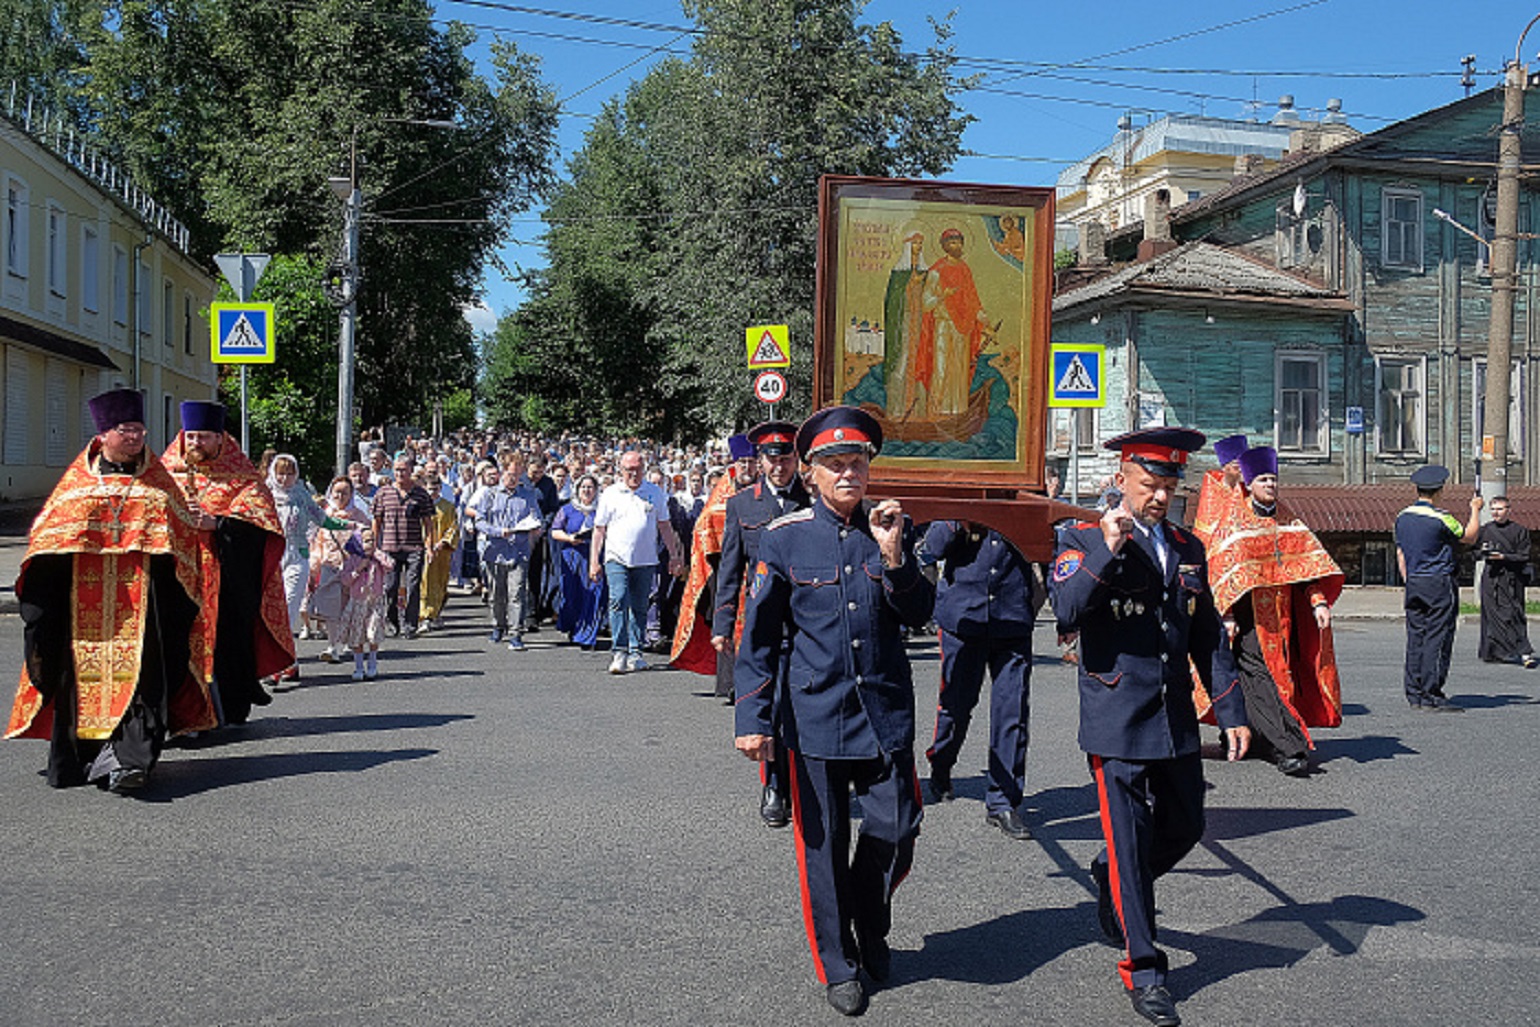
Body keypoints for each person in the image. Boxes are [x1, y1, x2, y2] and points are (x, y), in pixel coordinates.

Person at [734, 407, 934, 1017]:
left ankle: (869, 923)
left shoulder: (892, 528)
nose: (850, 473)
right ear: (812, 474)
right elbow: (761, 637)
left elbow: (920, 611)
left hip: (884, 713)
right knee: (821, 849)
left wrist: (896, 554)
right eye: (836, 464)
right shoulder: (784, 537)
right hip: (816, 715)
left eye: (859, 463)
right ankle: (837, 962)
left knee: (897, 831)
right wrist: (752, 719)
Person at [1051, 427, 1250, 1027]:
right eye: (1149, 484)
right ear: (1121, 481)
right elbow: (1063, 612)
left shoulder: (1188, 547)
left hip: (1174, 717)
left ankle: (1112, 878)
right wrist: (1108, 551)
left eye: (1169, 485)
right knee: (1133, 841)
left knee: (1186, 825)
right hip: (1116, 718)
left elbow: (1207, 634)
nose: (1160, 496)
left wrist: (1232, 710)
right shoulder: (1081, 537)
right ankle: (1145, 969)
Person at [6, 388, 217, 791]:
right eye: (126, 430)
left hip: (144, 609)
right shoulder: (75, 487)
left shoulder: (159, 485)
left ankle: (129, 760)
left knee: (142, 679)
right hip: (80, 612)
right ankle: (83, 758)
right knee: (79, 682)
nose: (136, 437)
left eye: (140, 429)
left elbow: (183, 544)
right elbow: (45, 541)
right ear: (104, 434)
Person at [1205, 446, 1343, 777]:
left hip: (1285, 616)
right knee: (1262, 680)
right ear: (1249, 483)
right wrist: (1225, 616)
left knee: (1284, 680)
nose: (1270, 484)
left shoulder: (1288, 519)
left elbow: (1308, 569)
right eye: (1264, 479)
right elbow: (1221, 572)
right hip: (1247, 618)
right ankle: (1289, 747)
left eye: (1274, 479)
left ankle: (1242, 733)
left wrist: (1318, 602)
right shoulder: (1234, 521)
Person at [162, 401, 292, 726]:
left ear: (219, 438)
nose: (195, 443)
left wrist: (217, 525)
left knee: (228, 645)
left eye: (204, 437)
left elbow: (261, 521)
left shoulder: (242, 477)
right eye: (190, 436)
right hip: (176, 579)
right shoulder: (165, 474)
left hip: (225, 581)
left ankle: (228, 710)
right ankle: (181, 715)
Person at [920, 521, 1045, 838]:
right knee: (955, 707)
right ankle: (942, 761)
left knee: (1012, 713)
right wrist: (957, 522)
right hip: (963, 618)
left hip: (1011, 618)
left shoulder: (1026, 501)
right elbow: (930, 550)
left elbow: (1048, 552)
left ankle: (1003, 801)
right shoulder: (962, 501)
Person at [714, 421, 811, 828]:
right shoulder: (742, 504)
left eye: (786, 458)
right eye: (772, 459)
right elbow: (730, 569)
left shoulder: (812, 500)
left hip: (807, 623)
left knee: (802, 709)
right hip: (763, 623)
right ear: (760, 461)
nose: (779, 466)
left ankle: (804, 783)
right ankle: (774, 787)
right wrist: (722, 623)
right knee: (767, 709)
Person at [1395, 465, 1483, 711]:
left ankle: (1413, 692)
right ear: (1439, 490)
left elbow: (1400, 552)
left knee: (1416, 637)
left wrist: (1409, 579)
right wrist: (1474, 510)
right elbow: (1469, 536)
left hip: (1414, 580)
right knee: (1438, 636)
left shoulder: (1402, 517)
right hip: (1438, 581)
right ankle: (1431, 693)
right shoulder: (1441, 517)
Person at [672, 434, 756, 685]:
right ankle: (730, 684)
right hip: (726, 567)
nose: (746, 468)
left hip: (758, 568)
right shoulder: (725, 487)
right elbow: (704, 523)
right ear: (734, 463)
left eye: (751, 462)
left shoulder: (765, 488)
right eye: (742, 463)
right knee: (728, 624)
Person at [591, 450, 684, 675]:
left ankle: (636, 652)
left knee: (640, 606)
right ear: (620, 470)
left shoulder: (655, 493)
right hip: (616, 557)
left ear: (644, 469)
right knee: (618, 599)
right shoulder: (611, 493)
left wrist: (674, 556)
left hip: (645, 559)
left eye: (637, 469)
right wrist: (594, 560)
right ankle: (619, 650)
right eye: (628, 470)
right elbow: (599, 529)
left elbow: (664, 526)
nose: (633, 474)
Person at [268, 453, 348, 654]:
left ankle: (282, 653)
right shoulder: (265, 496)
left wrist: (349, 525)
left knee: (289, 605)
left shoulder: (302, 496)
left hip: (297, 554)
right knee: (271, 607)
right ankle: (276, 654)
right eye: (280, 474)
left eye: (289, 473)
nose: (285, 479)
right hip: (272, 555)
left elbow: (322, 519)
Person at [471, 463, 544, 651]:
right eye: (509, 474)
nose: (512, 478)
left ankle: (516, 632)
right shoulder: (490, 494)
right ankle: (498, 625)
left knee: (517, 593)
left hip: (519, 550)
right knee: (497, 593)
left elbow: (538, 518)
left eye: (516, 475)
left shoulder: (528, 495)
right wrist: (496, 531)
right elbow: (478, 520)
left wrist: (535, 527)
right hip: (495, 551)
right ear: (503, 474)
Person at [372, 454, 436, 640]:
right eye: (397, 470)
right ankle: (392, 622)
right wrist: (374, 547)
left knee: (413, 586)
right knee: (390, 587)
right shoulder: (383, 493)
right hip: (390, 547)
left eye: (404, 470)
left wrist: (429, 546)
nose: (400, 473)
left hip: (414, 547)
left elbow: (428, 522)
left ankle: (410, 625)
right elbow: (377, 521)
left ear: (410, 471)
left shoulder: (420, 494)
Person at [311, 477, 369, 663]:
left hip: (353, 568)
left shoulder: (359, 516)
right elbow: (318, 541)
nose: (340, 496)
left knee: (348, 607)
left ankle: (348, 642)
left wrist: (363, 565)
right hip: (329, 565)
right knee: (330, 608)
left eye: (345, 492)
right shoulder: (325, 514)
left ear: (351, 494)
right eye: (337, 491)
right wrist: (315, 565)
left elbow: (367, 541)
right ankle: (333, 646)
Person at [1476, 496, 1538, 667]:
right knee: (1490, 614)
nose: (1496, 512)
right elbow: (1473, 553)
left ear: (1509, 510)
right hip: (1491, 576)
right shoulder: (1485, 530)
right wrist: (1484, 553)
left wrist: (1504, 556)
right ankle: (1493, 652)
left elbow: (1524, 556)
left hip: (1512, 578)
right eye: (1493, 509)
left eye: (1500, 509)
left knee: (1514, 613)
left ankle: (1525, 652)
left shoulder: (1519, 530)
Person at [550, 474, 608, 649]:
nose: (587, 490)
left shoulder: (602, 510)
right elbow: (555, 531)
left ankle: (587, 635)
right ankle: (573, 627)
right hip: (572, 555)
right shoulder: (567, 509)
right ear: (577, 489)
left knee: (593, 595)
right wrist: (569, 538)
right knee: (572, 595)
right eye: (584, 487)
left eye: (590, 487)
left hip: (595, 556)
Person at [338, 527, 392, 680]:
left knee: (373, 633)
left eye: (373, 540)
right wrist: (358, 568)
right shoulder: (352, 560)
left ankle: (373, 664)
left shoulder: (378, 559)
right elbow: (345, 580)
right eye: (366, 541)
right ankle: (359, 667)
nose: (370, 543)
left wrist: (377, 553)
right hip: (358, 601)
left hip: (374, 602)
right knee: (357, 636)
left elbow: (390, 565)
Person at [419, 467, 459, 631]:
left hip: (442, 551)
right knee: (423, 582)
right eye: (430, 489)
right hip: (423, 549)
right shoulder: (420, 506)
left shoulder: (448, 507)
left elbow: (453, 528)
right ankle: (425, 616)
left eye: (435, 489)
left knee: (440, 582)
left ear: (440, 489)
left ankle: (436, 613)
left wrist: (443, 542)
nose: (433, 492)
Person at [1191, 433, 1247, 547]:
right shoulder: (1213, 492)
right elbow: (1208, 531)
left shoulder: (1250, 488)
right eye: (1237, 466)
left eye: (1245, 465)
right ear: (1224, 467)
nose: (1242, 470)